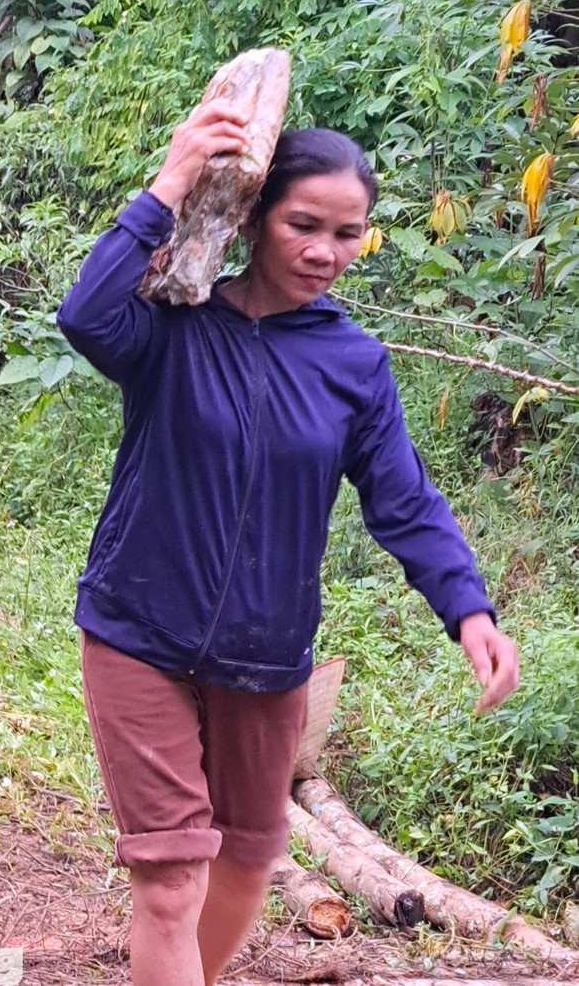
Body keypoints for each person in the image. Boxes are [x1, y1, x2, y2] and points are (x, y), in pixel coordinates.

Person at [56, 109, 522, 986]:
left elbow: (404, 499)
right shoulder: (174, 324)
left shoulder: (353, 362)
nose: (324, 250)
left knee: (242, 863)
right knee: (169, 879)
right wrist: (170, 180)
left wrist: (469, 608)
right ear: (254, 215)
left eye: (347, 233)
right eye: (303, 224)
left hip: (267, 659)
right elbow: (84, 315)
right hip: (138, 628)